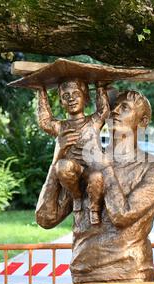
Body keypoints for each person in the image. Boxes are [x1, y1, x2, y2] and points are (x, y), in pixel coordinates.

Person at [35, 90, 154, 284]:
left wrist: (102, 165)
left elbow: (122, 216)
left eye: (124, 107)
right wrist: (57, 158)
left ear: (142, 121)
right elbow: (45, 218)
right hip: (86, 277)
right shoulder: (82, 163)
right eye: (113, 106)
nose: (115, 111)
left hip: (131, 279)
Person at [37, 80, 109, 225]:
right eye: (65, 96)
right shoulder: (60, 126)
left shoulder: (93, 122)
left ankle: (94, 210)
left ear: (85, 98)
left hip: (90, 170)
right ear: (61, 102)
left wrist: (100, 87)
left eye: (76, 94)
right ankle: (77, 197)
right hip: (72, 174)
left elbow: (104, 111)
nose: (71, 99)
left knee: (96, 177)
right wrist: (41, 92)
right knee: (62, 166)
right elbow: (45, 121)